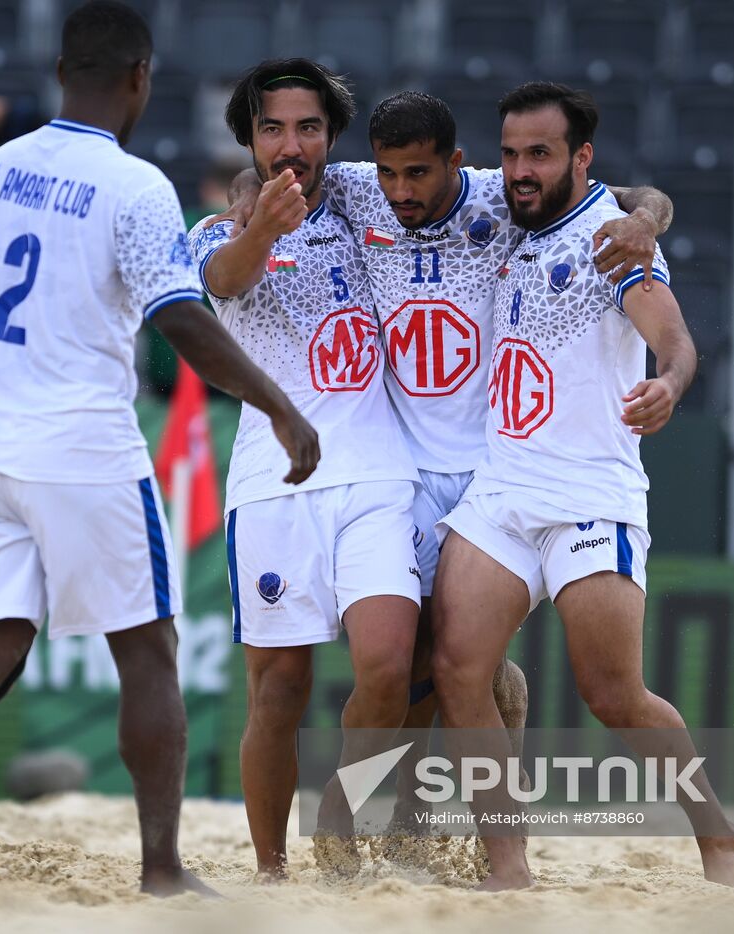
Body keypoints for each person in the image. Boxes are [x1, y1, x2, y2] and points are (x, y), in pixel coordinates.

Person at [0, 0, 319, 898]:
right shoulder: (134, 185)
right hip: (83, 452)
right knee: (146, 653)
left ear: (63, 71)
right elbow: (183, 319)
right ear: (140, 78)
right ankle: (161, 869)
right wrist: (278, 405)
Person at [226, 90, 673, 853]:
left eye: (419, 176)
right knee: (413, 666)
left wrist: (650, 220)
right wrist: (243, 194)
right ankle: (412, 812)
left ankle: (410, 817)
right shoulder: (366, 185)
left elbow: (626, 197)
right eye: (393, 175)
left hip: (490, 467)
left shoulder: (506, 191)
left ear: (456, 165)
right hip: (401, 459)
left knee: (439, 661)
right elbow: (277, 180)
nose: (403, 190)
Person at [430, 81, 734, 890]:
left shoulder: (616, 239)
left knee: (614, 696)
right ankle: (509, 867)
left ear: (581, 158)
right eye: (509, 154)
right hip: (503, 488)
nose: (519, 170)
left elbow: (673, 337)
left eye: (538, 154)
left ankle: (718, 838)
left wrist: (671, 386)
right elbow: (654, 195)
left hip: (589, 494)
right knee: (458, 669)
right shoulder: (504, 214)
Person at [190, 58, 422, 882]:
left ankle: (342, 810)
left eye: (309, 126)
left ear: (333, 133)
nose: (292, 145)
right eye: (272, 128)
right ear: (247, 138)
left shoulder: (370, 190)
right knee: (278, 692)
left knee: (389, 668)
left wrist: (648, 209)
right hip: (274, 482)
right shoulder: (220, 233)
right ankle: (271, 872)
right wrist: (259, 224)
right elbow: (223, 280)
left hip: (379, 473)